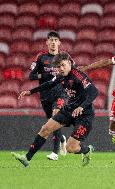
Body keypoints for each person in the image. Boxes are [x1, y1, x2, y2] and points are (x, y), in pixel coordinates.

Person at [12, 52, 99, 167]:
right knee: (45, 129)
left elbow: (94, 92)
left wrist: (81, 106)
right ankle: (27, 158)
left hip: (84, 115)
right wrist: (31, 91)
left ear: (69, 62)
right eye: (58, 66)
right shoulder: (61, 76)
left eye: (63, 65)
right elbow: (49, 84)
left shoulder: (79, 76)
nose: (61, 69)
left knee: (70, 148)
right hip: (69, 110)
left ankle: (87, 150)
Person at [29, 31, 67, 160]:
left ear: (59, 42)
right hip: (45, 96)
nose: (53, 42)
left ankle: (55, 153)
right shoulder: (41, 58)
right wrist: (43, 75)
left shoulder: (64, 57)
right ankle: (62, 139)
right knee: (52, 123)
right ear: (46, 42)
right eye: (50, 40)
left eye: (55, 40)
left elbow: (72, 72)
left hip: (61, 94)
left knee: (55, 117)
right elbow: (31, 76)